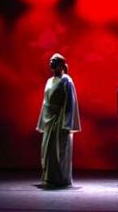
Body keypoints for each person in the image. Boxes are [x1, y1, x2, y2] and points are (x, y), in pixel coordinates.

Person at [36, 53, 81, 187]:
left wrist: (67, 123)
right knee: (47, 150)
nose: (51, 62)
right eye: (50, 60)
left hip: (59, 119)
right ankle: (49, 177)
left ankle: (59, 178)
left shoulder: (66, 80)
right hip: (49, 119)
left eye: (54, 60)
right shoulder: (50, 81)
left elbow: (69, 103)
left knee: (58, 149)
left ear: (61, 64)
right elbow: (45, 102)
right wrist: (42, 121)